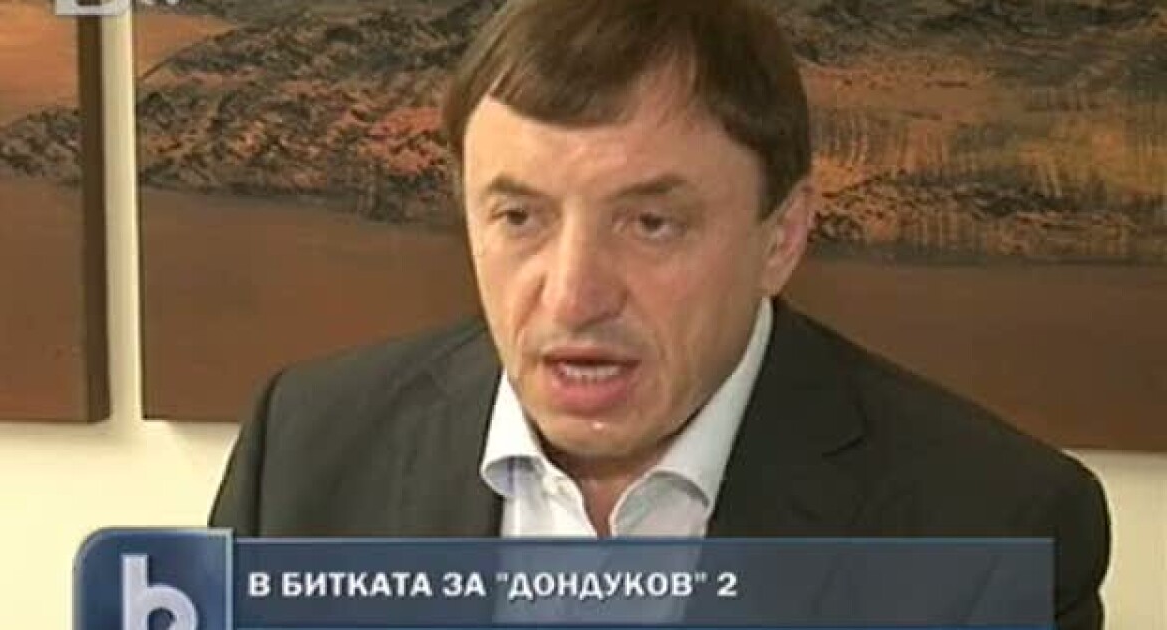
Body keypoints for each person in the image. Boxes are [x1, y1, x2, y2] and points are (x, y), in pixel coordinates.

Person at [209, 0, 1111, 628]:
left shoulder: (995, 528)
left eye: (651, 224)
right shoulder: (305, 453)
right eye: (519, 217)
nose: (572, 297)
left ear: (782, 237)